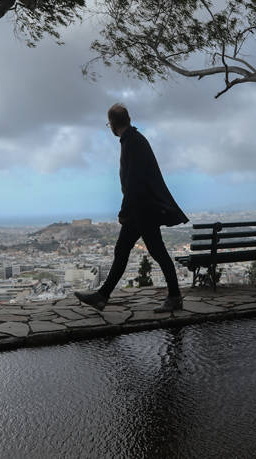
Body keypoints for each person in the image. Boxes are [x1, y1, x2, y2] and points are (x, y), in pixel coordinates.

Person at [75, 104, 189, 312]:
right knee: (126, 250)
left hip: (142, 209)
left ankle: (174, 297)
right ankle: (102, 296)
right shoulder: (133, 140)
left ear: (112, 124)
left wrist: (124, 211)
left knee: (156, 252)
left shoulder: (133, 142)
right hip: (141, 209)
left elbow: (134, 182)